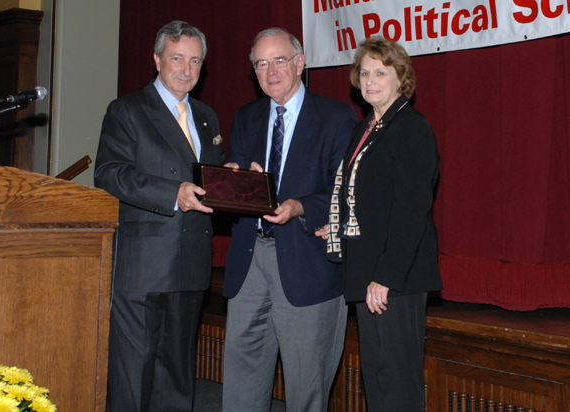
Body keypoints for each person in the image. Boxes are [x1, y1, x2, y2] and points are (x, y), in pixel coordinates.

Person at [222, 28, 359, 411]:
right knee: (241, 371)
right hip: (250, 258)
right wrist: (233, 182)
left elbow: (344, 189)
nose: (270, 71)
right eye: (260, 64)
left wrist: (300, 206)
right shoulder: (246, 116)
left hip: (306, 258)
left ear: (300, 62)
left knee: (306, 380)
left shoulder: (335, 117)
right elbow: (246, 184)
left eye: (279, 60)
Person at [94, 21, 225, 412]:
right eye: (177, 59)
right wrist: (173, 194)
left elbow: (205, 179)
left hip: (190, 263)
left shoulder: (206, 116)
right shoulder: (127, 110)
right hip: (143, 267)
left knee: (178, 377)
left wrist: (231, 182)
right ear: (156, 60)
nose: (187, 69)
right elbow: (110, 172)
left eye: (196, 61)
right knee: (134, 377)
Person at [316, 36, 443, 411]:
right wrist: (337, 227)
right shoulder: (368, 127)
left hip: (396, 278)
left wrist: (386, 275)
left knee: (397, 378)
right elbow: (365, 198)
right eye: (365, 72)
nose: (370, 80)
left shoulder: (410, 128)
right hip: (369, 270)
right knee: (376, 373)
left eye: (381, 73)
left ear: (400, 78)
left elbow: (410, 209)